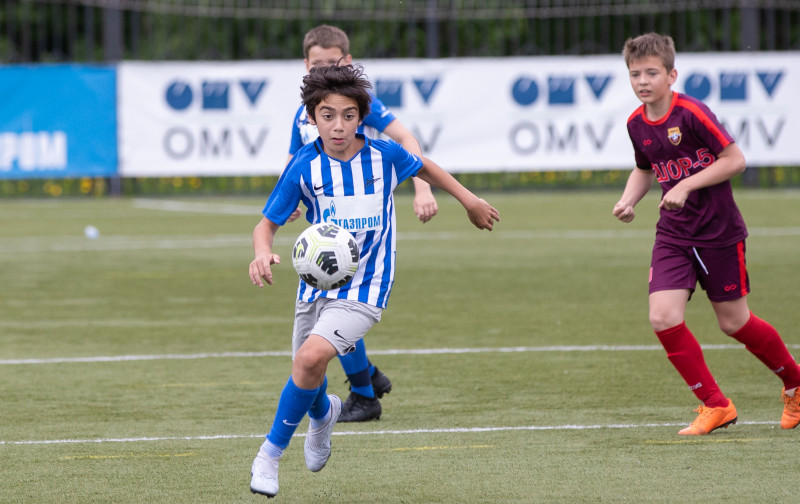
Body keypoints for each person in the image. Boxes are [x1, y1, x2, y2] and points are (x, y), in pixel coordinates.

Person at [248, 63, 499, 497]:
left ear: (361, 116)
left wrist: (469, 200)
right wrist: (261, 253)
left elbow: (427, 168)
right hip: (316, 289)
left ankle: (269, 456)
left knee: (309, 360)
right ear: (312, 117)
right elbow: (265, 225)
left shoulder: (383, 155)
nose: (339, 125)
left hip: (367, 289)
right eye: (328, 115)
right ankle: (324, 415)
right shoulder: (305, 166)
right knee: (308, 375)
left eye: (348, 115)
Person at [612, 33, 800, 435]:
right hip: (674, 235)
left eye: (651, 73)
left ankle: (795, 382)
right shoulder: (635, 123)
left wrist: (686, 185)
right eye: (634, 74)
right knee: (662, 317)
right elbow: (645, 168)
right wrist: (629, 200)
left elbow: (735, 160)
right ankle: (715, 404)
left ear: (671, 74)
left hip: (718, 233)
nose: (642, 81)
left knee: (734, 323)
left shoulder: (693, 113)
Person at [285, 25, 440, 422]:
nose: (326, 69)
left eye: (333, 62)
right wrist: (289, 203)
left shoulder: (363, 102)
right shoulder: (304, 115)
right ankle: (365, 381)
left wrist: (422, 189)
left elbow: (406, 138)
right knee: (329, 307)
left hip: (365, 226)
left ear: (347, 61)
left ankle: (364, 391)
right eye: (318, 63)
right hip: (327, 228)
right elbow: (293, 162)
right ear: (306, 66)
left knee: (342, 306)